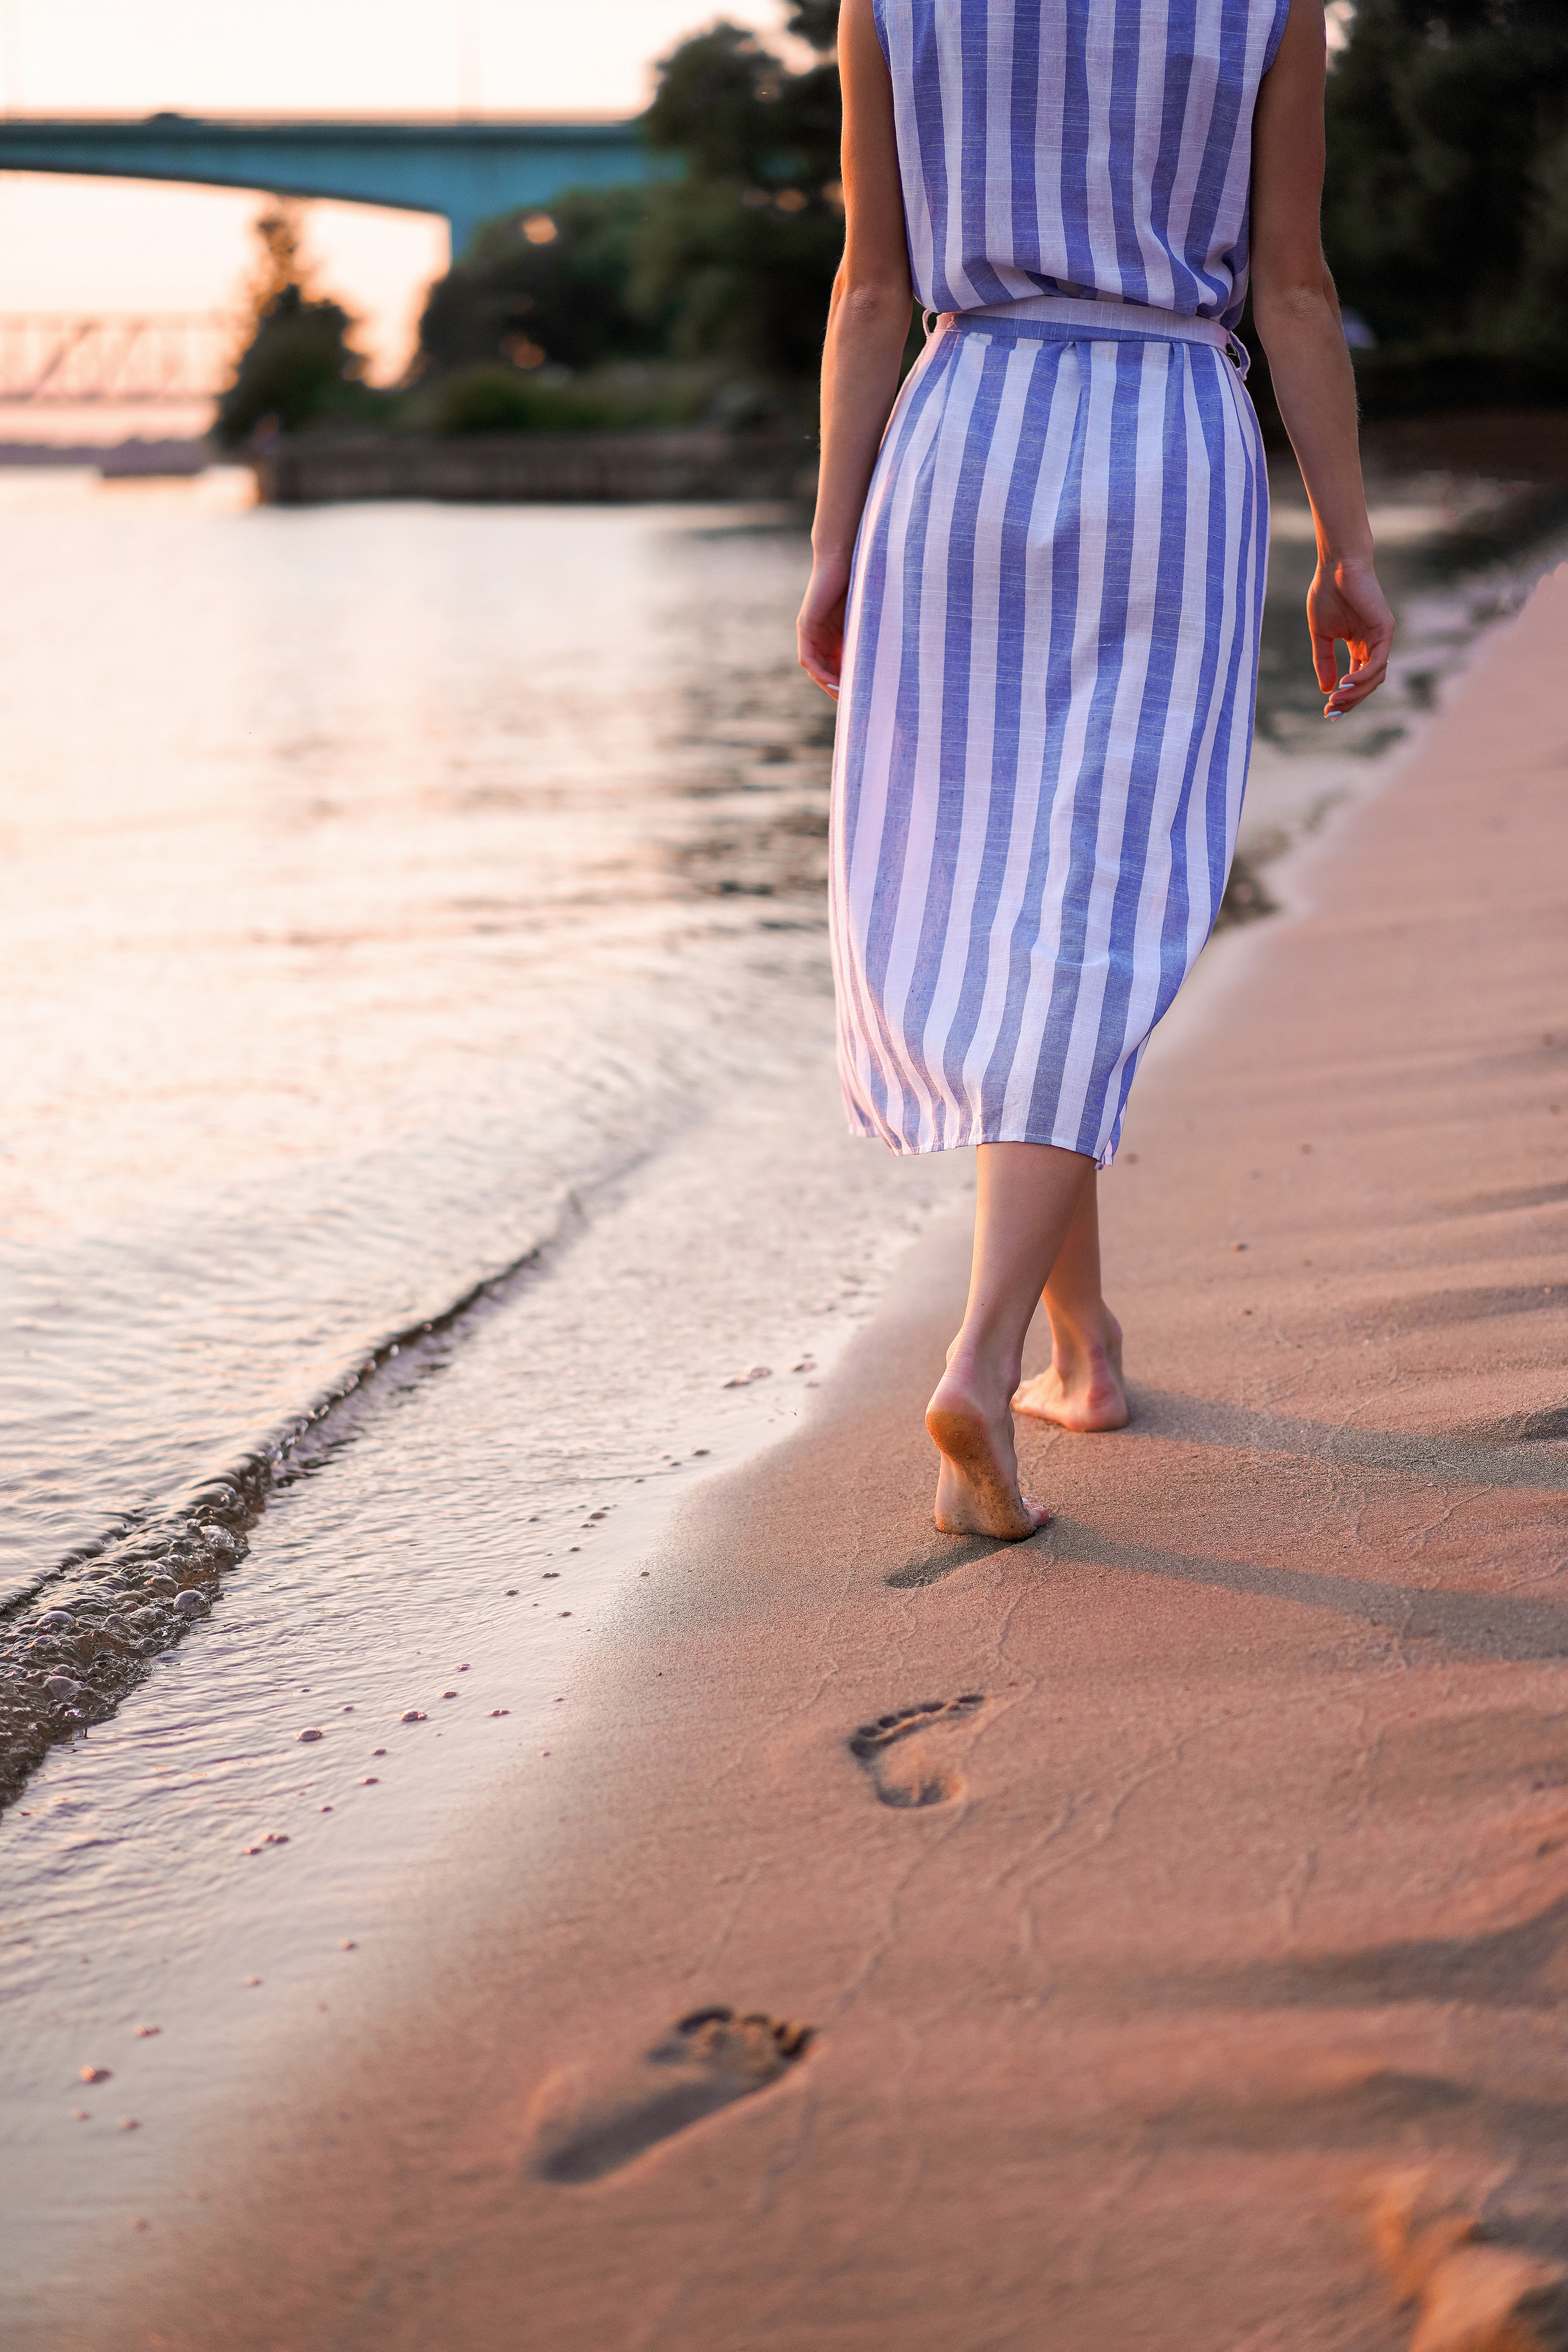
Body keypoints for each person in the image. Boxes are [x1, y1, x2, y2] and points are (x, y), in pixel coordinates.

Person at [797, 0, 1393, 1539]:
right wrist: (1344, 540)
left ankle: (1085, 1352)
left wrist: (830, 544)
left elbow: (869, 289)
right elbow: (1293, 286)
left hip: (957, 441)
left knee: (1002, 903)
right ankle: (985, 1357)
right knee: (1096, 898)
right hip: (1161, 439)